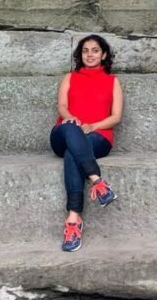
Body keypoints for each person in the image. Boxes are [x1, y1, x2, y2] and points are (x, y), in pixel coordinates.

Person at [49, 34, 124, 252]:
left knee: (74, 153)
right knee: (72, 129)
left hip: (98, 137)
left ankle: (73, 219)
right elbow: (62, 106)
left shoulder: (113, 81)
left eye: (95, 50)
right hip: (64, 133)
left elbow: (116, 116)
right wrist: (70, 117)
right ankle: (97, 180)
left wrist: (94, 125)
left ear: (104, 55)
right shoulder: (69, 77)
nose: (89, 55)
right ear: (80, 55)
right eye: (85, 51)